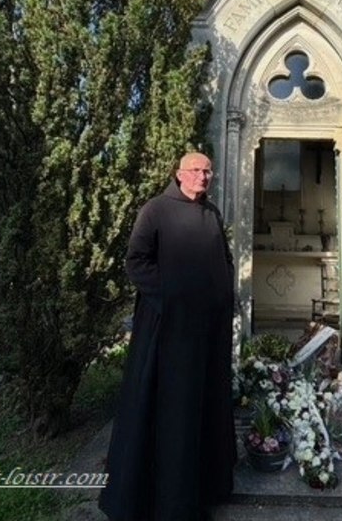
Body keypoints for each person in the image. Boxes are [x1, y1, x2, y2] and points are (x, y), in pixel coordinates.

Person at [99, 152, 236, 521]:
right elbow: (136, 261)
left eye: (208, 170)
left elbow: (224, 260)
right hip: (168, 332)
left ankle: (201, 488)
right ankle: (166, 500)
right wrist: (171, 296)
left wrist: (225, 297)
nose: (203, 176)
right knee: (171, 412)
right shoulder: (156, 210)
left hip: (206, 332)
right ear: (179, 174)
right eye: (196, 170)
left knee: (201, 406)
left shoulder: (212, 214)